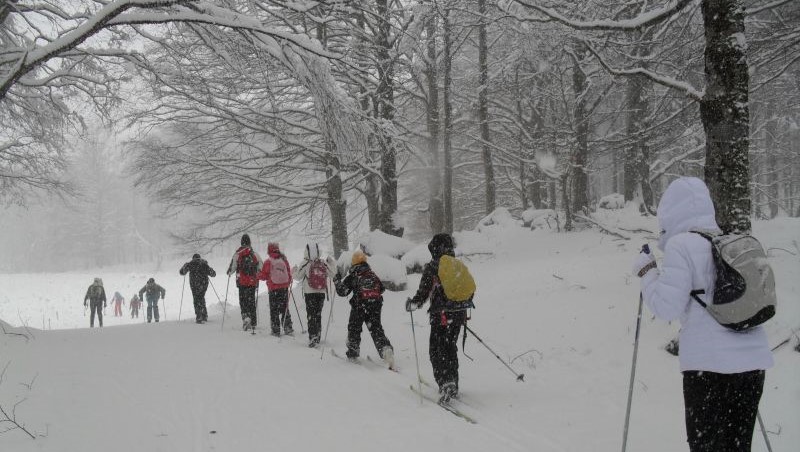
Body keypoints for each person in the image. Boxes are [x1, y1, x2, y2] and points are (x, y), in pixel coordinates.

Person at [631, 176, 773, 452]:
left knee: (706, 446)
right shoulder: (730, 241)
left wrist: (648, 273)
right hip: (752, 365)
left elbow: (666, 306)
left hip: (708, 369)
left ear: (670, 213)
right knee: (737, 446)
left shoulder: (681, 245)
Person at [406, 233, 475, 400]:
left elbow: (423, 292)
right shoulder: (457, 265)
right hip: (459, 314)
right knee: (450, 348)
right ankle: (453, 382)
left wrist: (413, 303)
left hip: (441, 315)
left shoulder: (433, 267)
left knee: (436, 350)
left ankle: (445, 383)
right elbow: (468, 289)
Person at [334, 250, 394, 367]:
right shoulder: (371, 273)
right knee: (376, 329)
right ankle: (386, 349)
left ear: (354, 262)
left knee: (354, 328)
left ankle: (353, 353)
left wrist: (337, 281)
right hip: (375, 305)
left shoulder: (354, 274)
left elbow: (343, 291)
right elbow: (381, 289)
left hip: (359, 305)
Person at [292, 243, 335, 347]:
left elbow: (297, 277)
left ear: (306, 251)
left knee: (311, 315)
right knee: (318, 314)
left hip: (309, 293)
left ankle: (313, 337)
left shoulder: (305, 263)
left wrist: (293, 271)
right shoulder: (323, 262)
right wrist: (332, 263)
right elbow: (333, 274)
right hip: (321, 293)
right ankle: (318, 336)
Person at [227, 234, 262, 331]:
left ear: (241, 242)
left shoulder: (237, 254)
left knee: (243, 302)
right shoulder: (254, 254)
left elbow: (231, 269)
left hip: (241, 282)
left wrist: (229, 272)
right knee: (251, 302)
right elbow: (261, 267)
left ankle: (246, 318)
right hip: (252, 282)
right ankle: (253, 322)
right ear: (250, 242)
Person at [258, 242, 294, 337]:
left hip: (273, 289)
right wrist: (288, 282)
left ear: (269, 250)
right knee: (284, 308)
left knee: (274, 310)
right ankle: (288, 327)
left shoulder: (268, 262)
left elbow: (264, 276)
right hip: (284, 288)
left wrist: (257, 275)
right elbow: (289, 274)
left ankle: (275, 330)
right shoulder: (284, 260)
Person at [179, 253, 217, 323]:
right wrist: (208, 268)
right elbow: (213, 274)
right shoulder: (204, 264)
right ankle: (204, 315)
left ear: (193, 258)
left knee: (196, 299)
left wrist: (185, 265)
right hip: (204, 284)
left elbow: (181, 272)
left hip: (194, 284)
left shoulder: (190, 264)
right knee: (201, 297)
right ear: (200, 258)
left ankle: (199, 316)